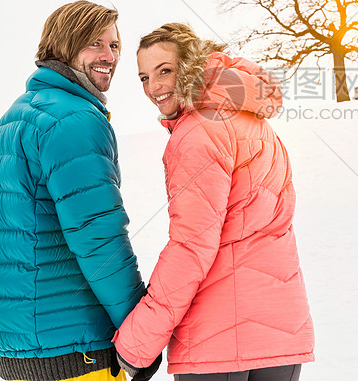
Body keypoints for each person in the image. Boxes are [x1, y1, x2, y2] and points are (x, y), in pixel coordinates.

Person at [114, 23, 315, 380]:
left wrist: (137, 343)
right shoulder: (250, 117)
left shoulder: (197, 134)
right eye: (144, 78)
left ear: (191, 66)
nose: (154, 87)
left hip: (218, 341)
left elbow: (192, 248)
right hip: (280, 332)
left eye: (165, 71)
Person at [0, 0, 157, 381]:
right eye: (95, 43)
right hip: (75, 345)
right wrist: (139, 331)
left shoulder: (12, 119)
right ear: (60, 48)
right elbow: (97, 237)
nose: (109, 56)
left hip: (19, 349)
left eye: (114, 45)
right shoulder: (73, 119)